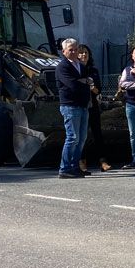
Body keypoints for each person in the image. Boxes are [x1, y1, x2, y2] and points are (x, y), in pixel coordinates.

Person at [55, 38, 91, 179]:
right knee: (72, 137)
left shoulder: (81, 66)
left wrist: (84, 82)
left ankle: (75, 166)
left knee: (81, 138)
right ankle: (64, 168)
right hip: (70, 106)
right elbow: (73, 85)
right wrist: (84, 83)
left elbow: (87, 82)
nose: (74, 52)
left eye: (76, 49)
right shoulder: (62, 67)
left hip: (82, 106)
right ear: (64, 51)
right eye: (71, 49)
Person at [78, 44, 111, 172]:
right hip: (80, 106)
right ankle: (82, 161)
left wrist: (91, 87)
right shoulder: (76, 69)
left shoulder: (93, 70)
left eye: (86, 52)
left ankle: (103, 161)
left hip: (93, 106)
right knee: (82, 135)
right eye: (81, 53)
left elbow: (98, 90)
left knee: (97, 134)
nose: (84, 55)